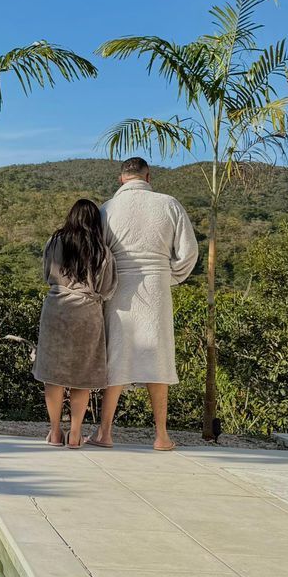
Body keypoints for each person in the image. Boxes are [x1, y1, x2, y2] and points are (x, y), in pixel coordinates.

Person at [91, 157, 198, 451]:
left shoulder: (106, 209)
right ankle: (162, 435)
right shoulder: (169, 204)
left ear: (121, 178)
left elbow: (97, 256)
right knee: (158, 358)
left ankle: (105, 432)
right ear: (148, 177)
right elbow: (189, 252)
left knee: (117, 357)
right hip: (157, 286)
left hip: (118, 288)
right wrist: (169, 277)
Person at [33, 199, 117, 448]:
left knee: (53, 374)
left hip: (56, 309)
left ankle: (55, 431)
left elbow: (46, 272)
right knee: (83, 375)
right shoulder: (102, 250)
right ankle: (76, 433)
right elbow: (107, 288)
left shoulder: (54, 241)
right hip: (87, 313)